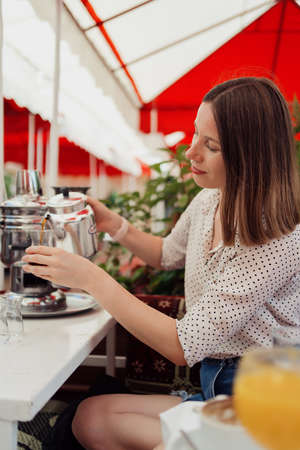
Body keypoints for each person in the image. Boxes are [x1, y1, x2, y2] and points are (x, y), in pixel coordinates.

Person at [22, 77, 300, 450]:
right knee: (88, 414)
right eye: (195, 135)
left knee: (90, 423)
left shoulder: (276, 237)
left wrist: (91, 278)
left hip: (266, 406)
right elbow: (167, 253)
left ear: (252, 155)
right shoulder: (210, 200)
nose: (190, 153)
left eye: (210, 145)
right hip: (214, 387)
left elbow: (181, 347)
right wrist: (114, 226)